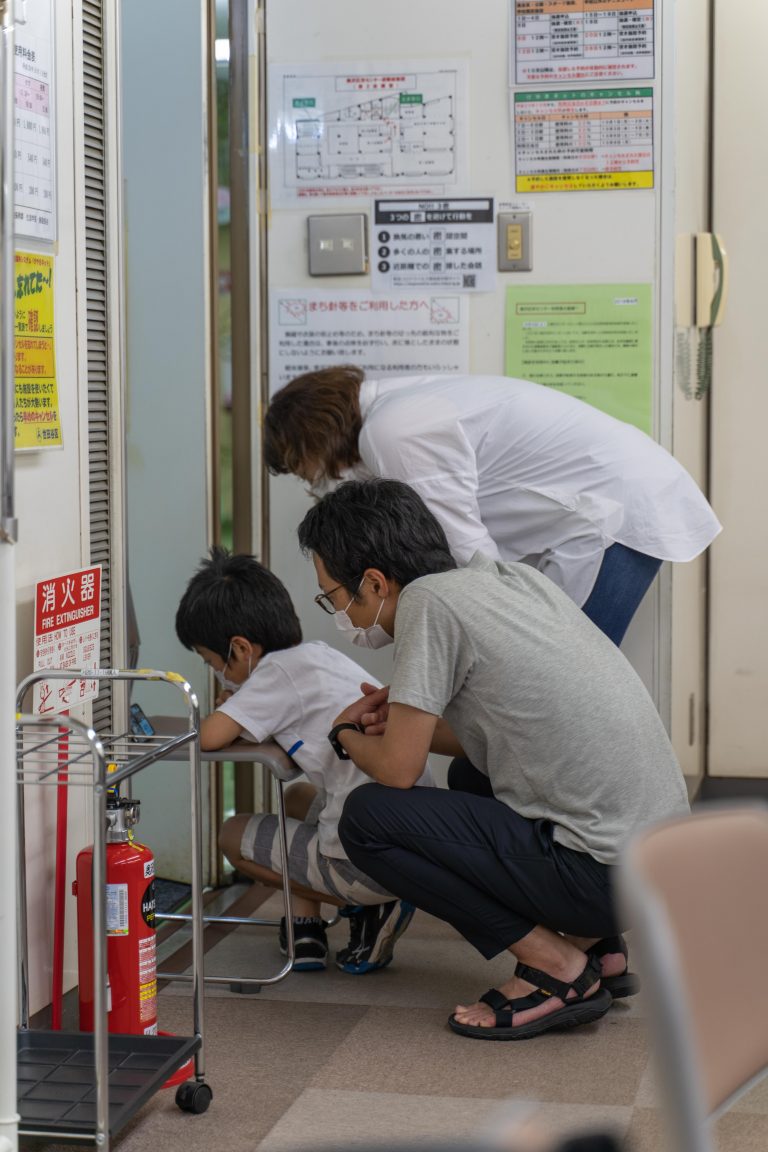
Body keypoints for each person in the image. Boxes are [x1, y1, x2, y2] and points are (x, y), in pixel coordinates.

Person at [297, 478, 690, 1040]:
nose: (339, 611)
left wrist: (344, 734)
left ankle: (555, 968)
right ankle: (599, 948)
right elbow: (510, 734)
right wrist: (407, 727)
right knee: (470, 773)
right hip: (661, 869)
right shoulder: (509, 579)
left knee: (368, 819)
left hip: (603, 880)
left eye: (333, 596)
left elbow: (398, 771)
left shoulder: (426, 604)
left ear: (375, 583)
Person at [265, 366, 721, 645]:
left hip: (612, 514)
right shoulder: (399, 409)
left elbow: (465, 553)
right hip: (604, 505)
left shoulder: (393, 429)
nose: (311, 480)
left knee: (573, 676)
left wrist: (404, 625)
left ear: (313, 437)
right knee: (555, 675)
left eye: (302, 468)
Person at [175, 547, 429, 973]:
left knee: (232, 836)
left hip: (367, 864)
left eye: (212, 662)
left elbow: (209, 737)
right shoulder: (316, 656)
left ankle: (369, 904)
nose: (217, 672)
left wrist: (222, 710)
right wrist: (240, 702)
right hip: (413, 838)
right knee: (294, 801)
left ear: (240, 648)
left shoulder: (273, 674)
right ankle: (304, 928)